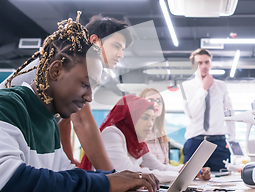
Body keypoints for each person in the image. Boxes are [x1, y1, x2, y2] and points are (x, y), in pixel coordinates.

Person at [0, 13, 158, 192]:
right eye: (86, 85)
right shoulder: (1, 106)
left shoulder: (49, 117)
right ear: (56, 71)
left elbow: (61, 172)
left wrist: (112, 179)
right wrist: (108, 181)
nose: (90, 98)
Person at [0, 15, 133, 171]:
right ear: (94, 41)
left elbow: (65, 119)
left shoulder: (78, 66)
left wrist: (66, 162)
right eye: (116, 46)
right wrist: (112, 176)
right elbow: (82, 123)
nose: (121, 54)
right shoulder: (69, 63)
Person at [80, 95, 210, 183]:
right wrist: (182, 176)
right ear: (131, 117)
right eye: (145, 118)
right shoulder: (112, 133)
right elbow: (128, 173)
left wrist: (190, 170)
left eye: (152, 119)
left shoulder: (137, 141)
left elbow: (161, 167)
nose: (150, 123)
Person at [181, 48, 235, 171]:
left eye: (207, 62)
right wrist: (203, 90)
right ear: (193, 65)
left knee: (222, 182)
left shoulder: (221, 86)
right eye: (200, 63)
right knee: (190, 181)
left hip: (219, 143)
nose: (204, 66)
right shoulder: (185, 87)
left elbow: (230, 115)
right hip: (195, 142)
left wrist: (232, 140)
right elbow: (191, 114)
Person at [138, 88, 170, 164]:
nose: (156, 104)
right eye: (150, 100)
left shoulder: (161, 137)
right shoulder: (137, 135)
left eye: (159, 101)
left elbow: (166, 166)